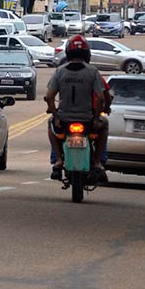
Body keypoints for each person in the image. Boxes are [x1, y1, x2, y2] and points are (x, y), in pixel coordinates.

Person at [45, 35, 108, 180]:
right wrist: (97, 117)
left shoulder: (60, 71)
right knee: (104, 126)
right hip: (87, 119)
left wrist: (56, 116)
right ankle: (98, 162)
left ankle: (59, 160)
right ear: (87, 54)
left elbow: (49, 97)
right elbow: (100, 97)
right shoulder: (92, 72)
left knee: (50, 124)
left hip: (64, 119)